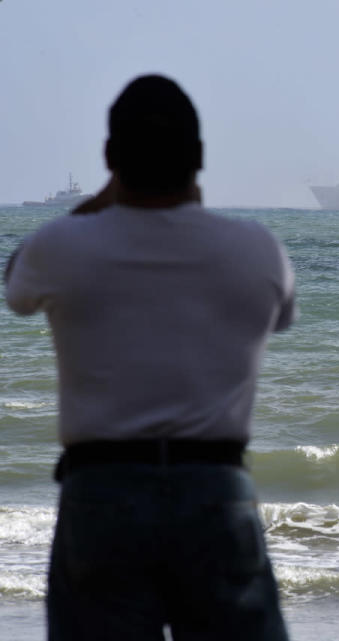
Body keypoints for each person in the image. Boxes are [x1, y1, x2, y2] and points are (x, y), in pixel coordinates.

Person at [5, 75, 294, 640]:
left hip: (103, 493)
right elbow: (280, 316)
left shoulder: (62, 247)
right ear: (201, 158)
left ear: (111, 158)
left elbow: (15, 284)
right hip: (216, 490)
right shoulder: (257, 249)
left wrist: (100, 202)